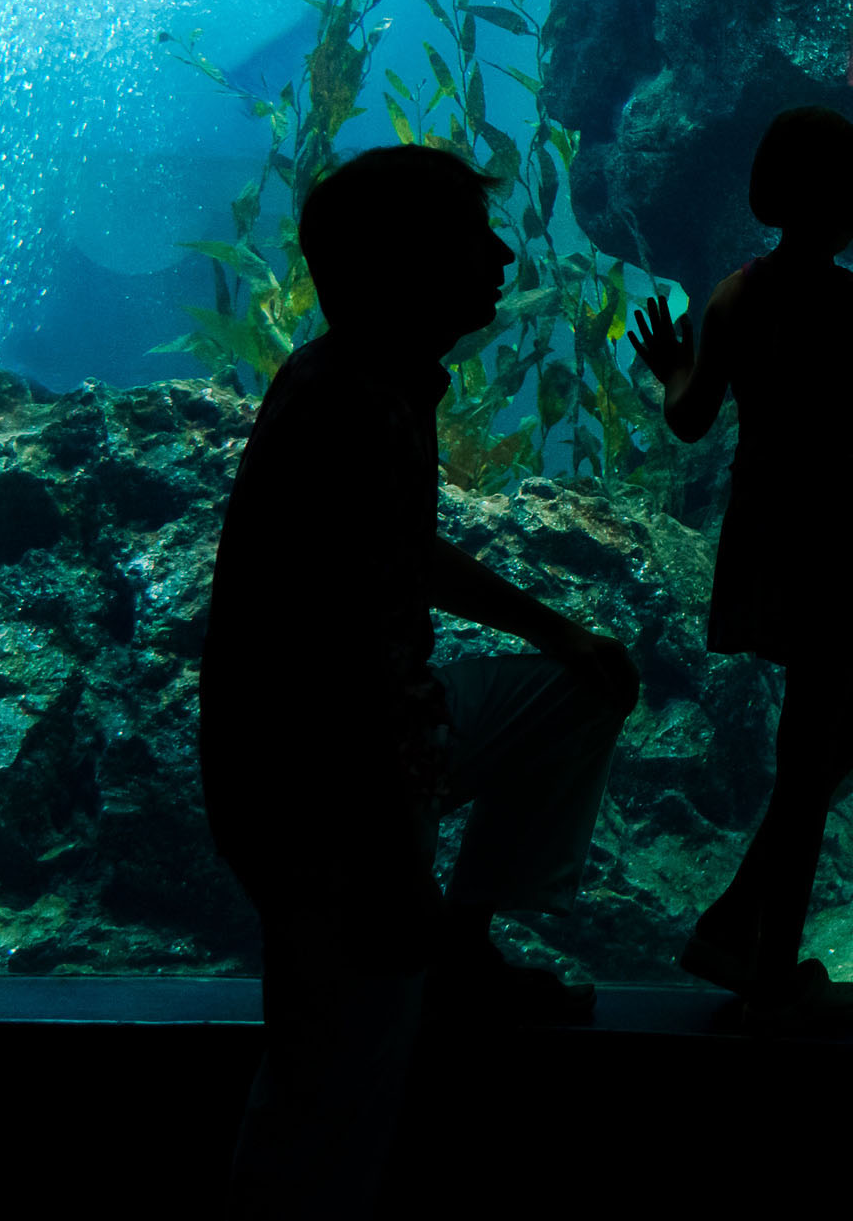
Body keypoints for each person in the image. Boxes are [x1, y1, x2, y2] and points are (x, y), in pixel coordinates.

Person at [201, 144, 641, 1213]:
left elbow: (402, 556)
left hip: (384, 743)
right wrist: (402, 880)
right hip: (326, 801)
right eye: (469, 239)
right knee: (328, 1095)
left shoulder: (375, 378)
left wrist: (562, 635)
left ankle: (467, 946)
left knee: (583, 685)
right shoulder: (348, 404)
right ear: (406, 266)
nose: (500, 255)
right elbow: (334, 683)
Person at [629, 105, 853, 1034]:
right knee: (814, 756)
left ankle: (736, 922)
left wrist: (669, 369)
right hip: (827, 533)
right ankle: (766, 974)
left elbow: (691, 420)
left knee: (846, 729)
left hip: (762, 526)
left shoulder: (735, 293)